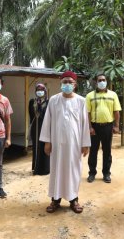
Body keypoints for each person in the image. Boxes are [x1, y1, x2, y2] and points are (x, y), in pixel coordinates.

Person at [39, 71, 91, 214]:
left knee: (74, 170)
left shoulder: (81, 101)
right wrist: (47, 142)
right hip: (56, 143)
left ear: (75, 84)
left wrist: (85, 143)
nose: (67, 84)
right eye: (64, 82)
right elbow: (47, 122)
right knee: (56, 169)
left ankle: (73, 199)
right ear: (60, 83)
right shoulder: (54, 100)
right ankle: (55, 199)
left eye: (70, 82)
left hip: (74, 144)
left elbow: (85, 123)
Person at [85, 73, 121, 183]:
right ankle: (92, 173)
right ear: (96, 82)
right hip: (94, 127)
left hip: (108, 127)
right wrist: (89, 127)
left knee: (107, 151)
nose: (101, 82)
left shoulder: (113, 95)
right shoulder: (90, 96)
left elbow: (116, 111)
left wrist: (116, 125)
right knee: (93, 151)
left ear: (106, 81)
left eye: (103, 80)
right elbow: (88, 113)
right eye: (99, 80)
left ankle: (106, 174)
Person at [28, 83, 50, 175]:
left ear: (45, 91)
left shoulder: (49, 102)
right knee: (36, 147)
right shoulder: (32, 102)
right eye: (38, 90)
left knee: (45, 146)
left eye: (41, 90)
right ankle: (36, 168)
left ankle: (45, 169)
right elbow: (31, 115)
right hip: (35, 127)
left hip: (46, 126)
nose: (39, 91)